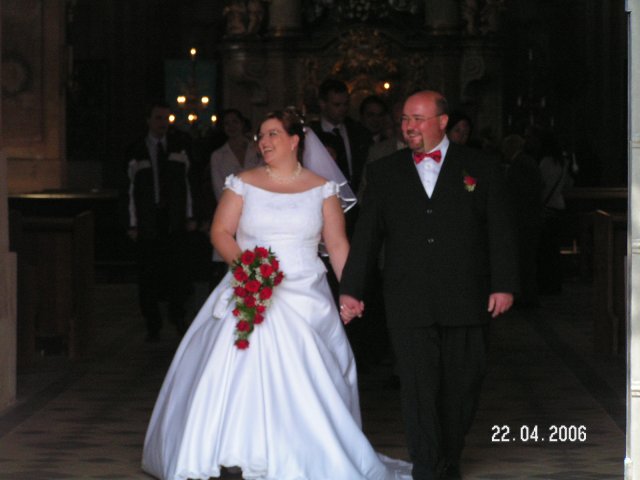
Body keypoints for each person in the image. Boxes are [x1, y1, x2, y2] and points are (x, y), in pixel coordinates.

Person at [141, 108, 412, 480]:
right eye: (261, 135)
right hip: (251, 285)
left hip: (305, 292)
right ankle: (237, 450)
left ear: (295, 140)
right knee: (240, 367)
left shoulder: (322, 188)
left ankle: (303, 451)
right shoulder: (242, 182)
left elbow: (336, 244)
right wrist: (249, 271)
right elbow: (221, 232)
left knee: (307, 374)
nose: (264, 142)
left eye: (272, 134)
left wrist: (350, 292)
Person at [339, 90, 519, 480]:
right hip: (408, 297)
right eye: (405, 119)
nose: (409, 127)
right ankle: (426, 465)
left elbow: (500, 231)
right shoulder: (384, 172)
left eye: (418, 119)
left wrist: (503, 284)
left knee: (463, 385)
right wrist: (351, 289)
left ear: (443, 122)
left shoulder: (481, 166)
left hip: (467, 296)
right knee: (417, 388)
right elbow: (367, 236)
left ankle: (448, 457)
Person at [126, 101, 196, 342]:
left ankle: (178, 316)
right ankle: (152, 323)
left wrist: (190, 216)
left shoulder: (179, 147)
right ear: (148, 120)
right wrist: (132, 223)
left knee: (177, 272)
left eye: (166, 118)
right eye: (158, 118)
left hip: (173, 219)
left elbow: (188, 185)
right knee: (148, 274)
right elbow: (129, 189)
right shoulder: (136, 149)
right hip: (148, 219)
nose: (163, 123)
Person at [209, 109, 263, 285]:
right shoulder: (218, 155)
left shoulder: (257, 149)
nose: (231, 126)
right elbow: (219, 189)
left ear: (242, 124)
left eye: (235, 122)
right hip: (231, 214)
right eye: (227, 123)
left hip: (258, 212)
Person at [309, 78, 372, 194]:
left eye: (346, 104)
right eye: (337, 105)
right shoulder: (312, 135)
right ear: (323, 104)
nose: (343, 109)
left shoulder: (358, 132)